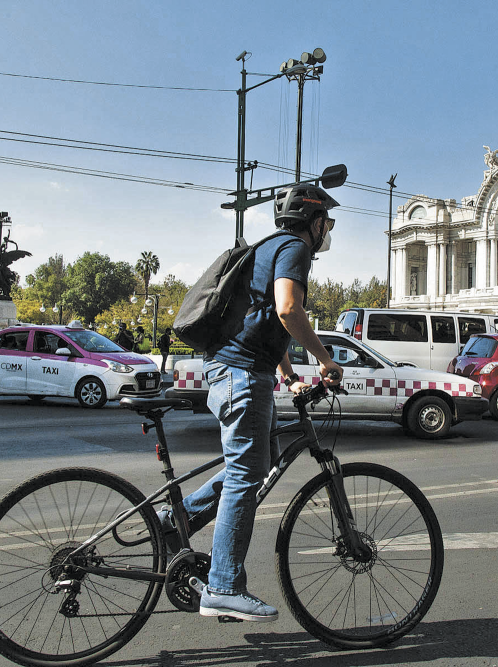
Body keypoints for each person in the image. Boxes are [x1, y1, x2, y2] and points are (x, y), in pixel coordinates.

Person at [160, 184, 344, 622]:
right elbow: (287, 310)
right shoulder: (295, 248)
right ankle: (222, 586)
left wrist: (288, 376)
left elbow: (261, 320)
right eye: (328, 224)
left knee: (264, 458)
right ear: (313, 222)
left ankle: (177, 519)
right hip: (241, 376)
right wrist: (325, 359)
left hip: (234, 371)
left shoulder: (269, 247)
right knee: (247, 473)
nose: (328, 232)